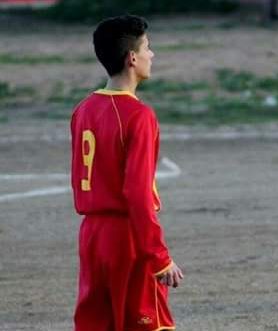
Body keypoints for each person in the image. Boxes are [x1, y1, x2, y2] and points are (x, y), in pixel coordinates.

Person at [70, 15, 183, 331]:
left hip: (92, 237)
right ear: (132, 58)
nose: (152, 54)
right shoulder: (139, 115)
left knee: (98, 323)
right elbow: (137, 193)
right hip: (127, 240)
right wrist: (158, 256)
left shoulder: (83, 109)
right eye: (148, 47)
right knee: (146, 323)